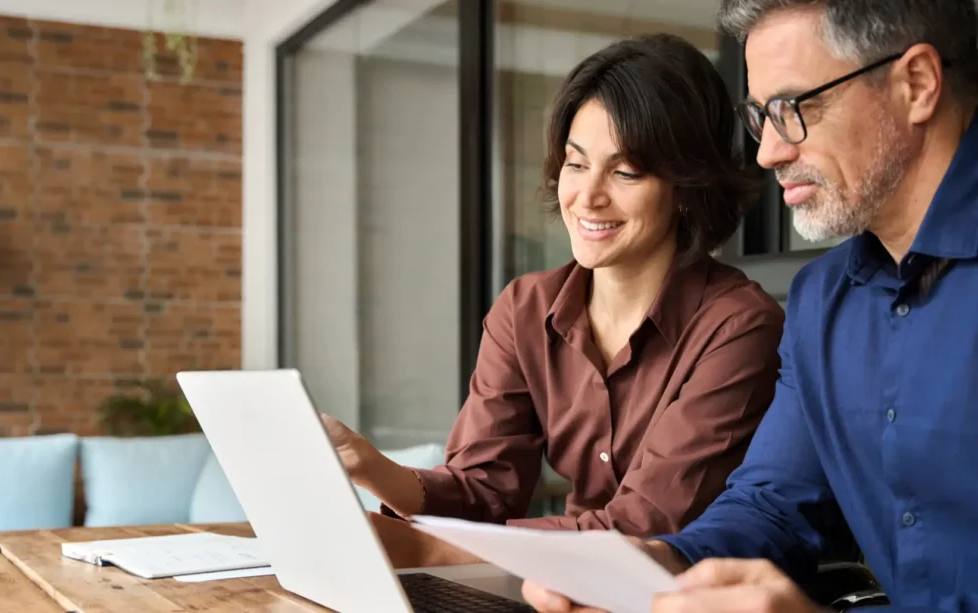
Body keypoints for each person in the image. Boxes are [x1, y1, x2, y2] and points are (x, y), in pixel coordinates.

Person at [521, 0, 978, 611]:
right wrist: (660, 560)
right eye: (761, 117)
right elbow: (773, 507)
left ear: (915, 84)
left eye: (792, 109)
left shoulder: (746, 318)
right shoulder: (822, 302)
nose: (768, 154)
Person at [321, 33, 785, 569]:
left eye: (625, 171)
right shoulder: (525, 309)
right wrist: (371, 467)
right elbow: (485, 491)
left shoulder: (739, 327)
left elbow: (647, 525)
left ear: (686, 189)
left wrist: (431, 548)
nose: (588, 196)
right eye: (575, 163)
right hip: (554, 586)